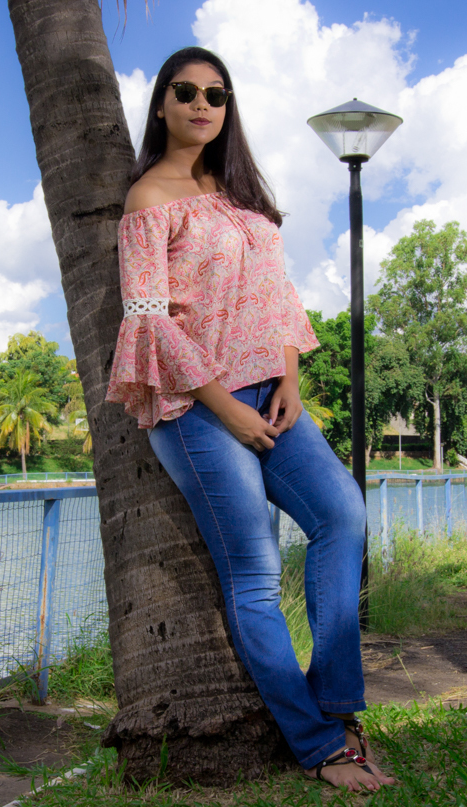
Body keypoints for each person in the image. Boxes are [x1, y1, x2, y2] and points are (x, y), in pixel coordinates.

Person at [105, 46, 395, 792]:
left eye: (216, 94)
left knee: (343, 515)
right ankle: (319, 744)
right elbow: (148, 318)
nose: (202, 104)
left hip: (272, 389)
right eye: (186, 91)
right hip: (195, 405)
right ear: (162, 104)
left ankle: (337, 705)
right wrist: (226, 408)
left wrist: (290, 376)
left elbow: (278, 295)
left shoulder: (241, 194)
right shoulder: (148, 198)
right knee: (258, 573)